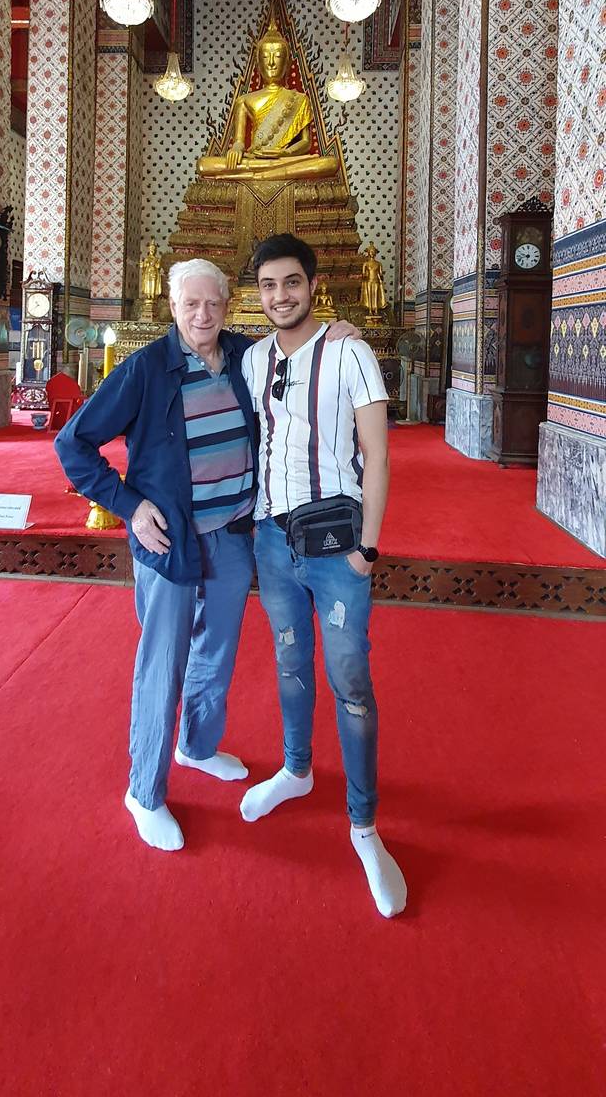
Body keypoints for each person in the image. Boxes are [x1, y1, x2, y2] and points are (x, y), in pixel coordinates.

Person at [55, 256, 357, 854]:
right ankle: (143, 791)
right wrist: (129, 506)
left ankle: (195, 745)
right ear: (172, 307)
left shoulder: (248, 357)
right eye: (190, 304)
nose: (202, 314)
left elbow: (305, 353)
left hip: (233, 535)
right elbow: (75, 443)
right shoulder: (145, 369)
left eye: (212, 303)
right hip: (168, 541)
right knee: (161, 662)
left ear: (227, 305)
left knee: (215, 655)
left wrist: (340, 332)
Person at [239, 233, 407, 917]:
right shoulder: (250, 359)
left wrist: (368, 549)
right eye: (268, 286)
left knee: (351, 680)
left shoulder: (350, 352)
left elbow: (378, 453)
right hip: (272, 540)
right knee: (289, 665)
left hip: (339, 549)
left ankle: (364, 825)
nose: (280, 296)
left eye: (291, 283)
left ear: (313, 285)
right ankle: (297, 768)